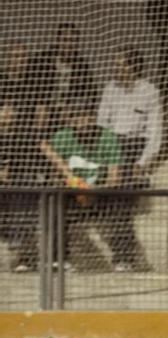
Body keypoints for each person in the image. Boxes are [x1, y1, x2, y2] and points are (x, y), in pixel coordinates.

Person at [39, 105, 146, 272]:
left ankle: (123, 259)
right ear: (70, 120)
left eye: (87, 118)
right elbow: (45, 148)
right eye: (77, 118)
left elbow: (114, 176)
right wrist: (73, 181)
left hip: (101, 193)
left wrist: (94, 190)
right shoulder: (62, 137)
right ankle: (57, 259)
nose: (82, 123)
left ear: (93, 118)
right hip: (73, 194)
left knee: (121, 205)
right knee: (54, 205)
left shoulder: (107, 136)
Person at [96, 46, 160, 271]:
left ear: (133, 66)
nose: (116, 68)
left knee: (120, 199)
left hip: (135, 146)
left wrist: (143, 162)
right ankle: (124, 255)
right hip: (111, 145)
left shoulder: (149, 91)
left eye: (120, 64)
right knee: (113, 199)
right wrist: (103, 157)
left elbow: (154, 131)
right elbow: (101, 125)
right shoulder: (110, 89)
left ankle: (123, 256)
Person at [0, 42, 40, 272]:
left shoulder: (32, 84)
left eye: (23, 56)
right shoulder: (2, 81)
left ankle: (22, 254)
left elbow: (37, 124)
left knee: (23, 194)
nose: (20, 60)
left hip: (22, 155)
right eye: (15, 55)